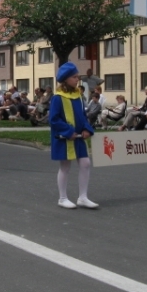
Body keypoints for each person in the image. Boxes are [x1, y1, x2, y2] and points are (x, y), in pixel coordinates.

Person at [50, 62, 97, 209]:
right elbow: (54, 119)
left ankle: (83, 197)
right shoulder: (57, 98)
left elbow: (83, 116)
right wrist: (68, 132)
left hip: (78, 137)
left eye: (78, 77)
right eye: (74, 77)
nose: (78, 79)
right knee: (65, 166)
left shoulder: (78, 96)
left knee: (85, 163)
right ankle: (62, 198)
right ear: (65, 79)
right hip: (65, 138)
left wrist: (87, 129)